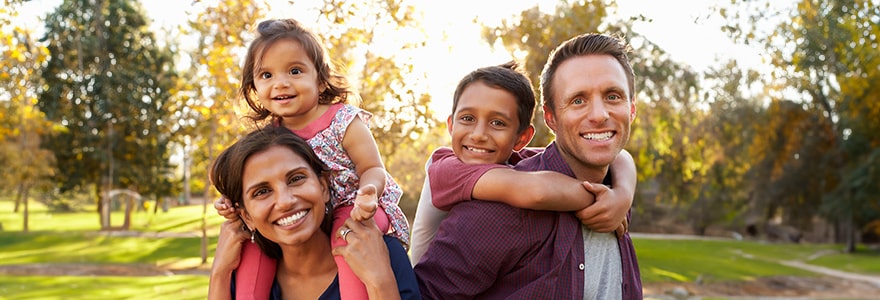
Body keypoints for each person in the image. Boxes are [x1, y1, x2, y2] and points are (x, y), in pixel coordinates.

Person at [414, 33, 642, 299]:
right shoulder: (496, 208)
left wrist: (622, 195)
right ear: (551, 118)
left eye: (613, 96)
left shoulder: (614, 194)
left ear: (631, 109)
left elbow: (622, 157)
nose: (599, 115)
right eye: (578, 100)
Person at [213, 18, 410, 299]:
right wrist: (230, 203)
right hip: (303, 218)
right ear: (254, 87)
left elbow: (373, 167)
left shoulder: (343, 120)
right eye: (266, 75)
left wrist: (368, 194)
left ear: (320, 78)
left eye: (294, 71)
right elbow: (247, 184)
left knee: (347, 247)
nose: (281, 83)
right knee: (254, 250)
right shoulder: (271, 137)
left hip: (353, 208)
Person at [208, 126, 419, 300]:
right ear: (247, 217)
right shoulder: (241, 277)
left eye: (296, 179)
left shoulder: (379, 253)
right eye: (262, 192)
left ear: (324, 186)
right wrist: (219, 273)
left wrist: (379, 281)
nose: (285, 202)